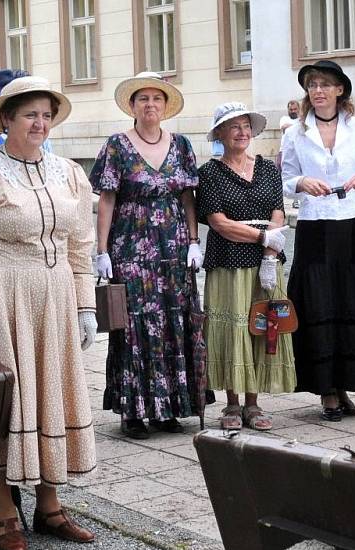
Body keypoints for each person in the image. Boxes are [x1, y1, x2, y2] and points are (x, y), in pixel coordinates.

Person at [0, 76, 97, 550]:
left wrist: (85, 305)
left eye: (46, 115)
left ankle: (49, 507)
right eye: (29, 114)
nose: (39, 123)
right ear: (6, 120)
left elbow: (81, 248)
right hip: (4, 299)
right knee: (3, 403)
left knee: (50, 394)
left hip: (54, 300)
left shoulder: (70, 174)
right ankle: (4, 512)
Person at [89, 72, 205, 440]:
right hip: (131, 248)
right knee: (135, 328)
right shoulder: (117, 146)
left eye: (157, 99)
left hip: (172, 249)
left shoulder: (182, 145)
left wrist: (193, 240)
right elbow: (107, 199)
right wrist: (101, 250)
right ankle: (134, 411)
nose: (150, 105)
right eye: (143, 99)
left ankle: (169, 407)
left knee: (174, 323)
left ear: (165, 106)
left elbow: (188, 197)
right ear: (133, 106)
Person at [281, 59, 355, 421]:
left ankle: (346, 383)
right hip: (315, 224)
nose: (319, 91)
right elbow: (285, 178)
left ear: (340, 90)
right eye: (313, 85)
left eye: (325, 84)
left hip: (353, 222)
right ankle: (326, 390)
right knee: (319, 301)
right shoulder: (295, 132)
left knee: (350, 298)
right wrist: (301, 183)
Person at [197, 102, 297, 431]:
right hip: (228, 259)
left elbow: (278, 213)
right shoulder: (209, 173)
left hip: (266, 258)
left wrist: (269, 254)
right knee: (232, 327)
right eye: (233, 126)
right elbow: (219, 223)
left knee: (263, 325)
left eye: (245, 126)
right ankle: (232, 403)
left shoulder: (268, 169)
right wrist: (262, 235)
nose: (241, 132)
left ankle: (254, 403)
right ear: (220, 134)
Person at [278, 99, 301, 206]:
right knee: (281, 176)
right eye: (290, 109)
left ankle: (296, 200)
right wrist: (298, 127)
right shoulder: (284, 119)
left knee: (297, 177)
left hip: (298, 152)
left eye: (295, 109)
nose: (292, 111)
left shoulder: (302, 120)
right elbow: (284, 127)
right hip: (283, 151)